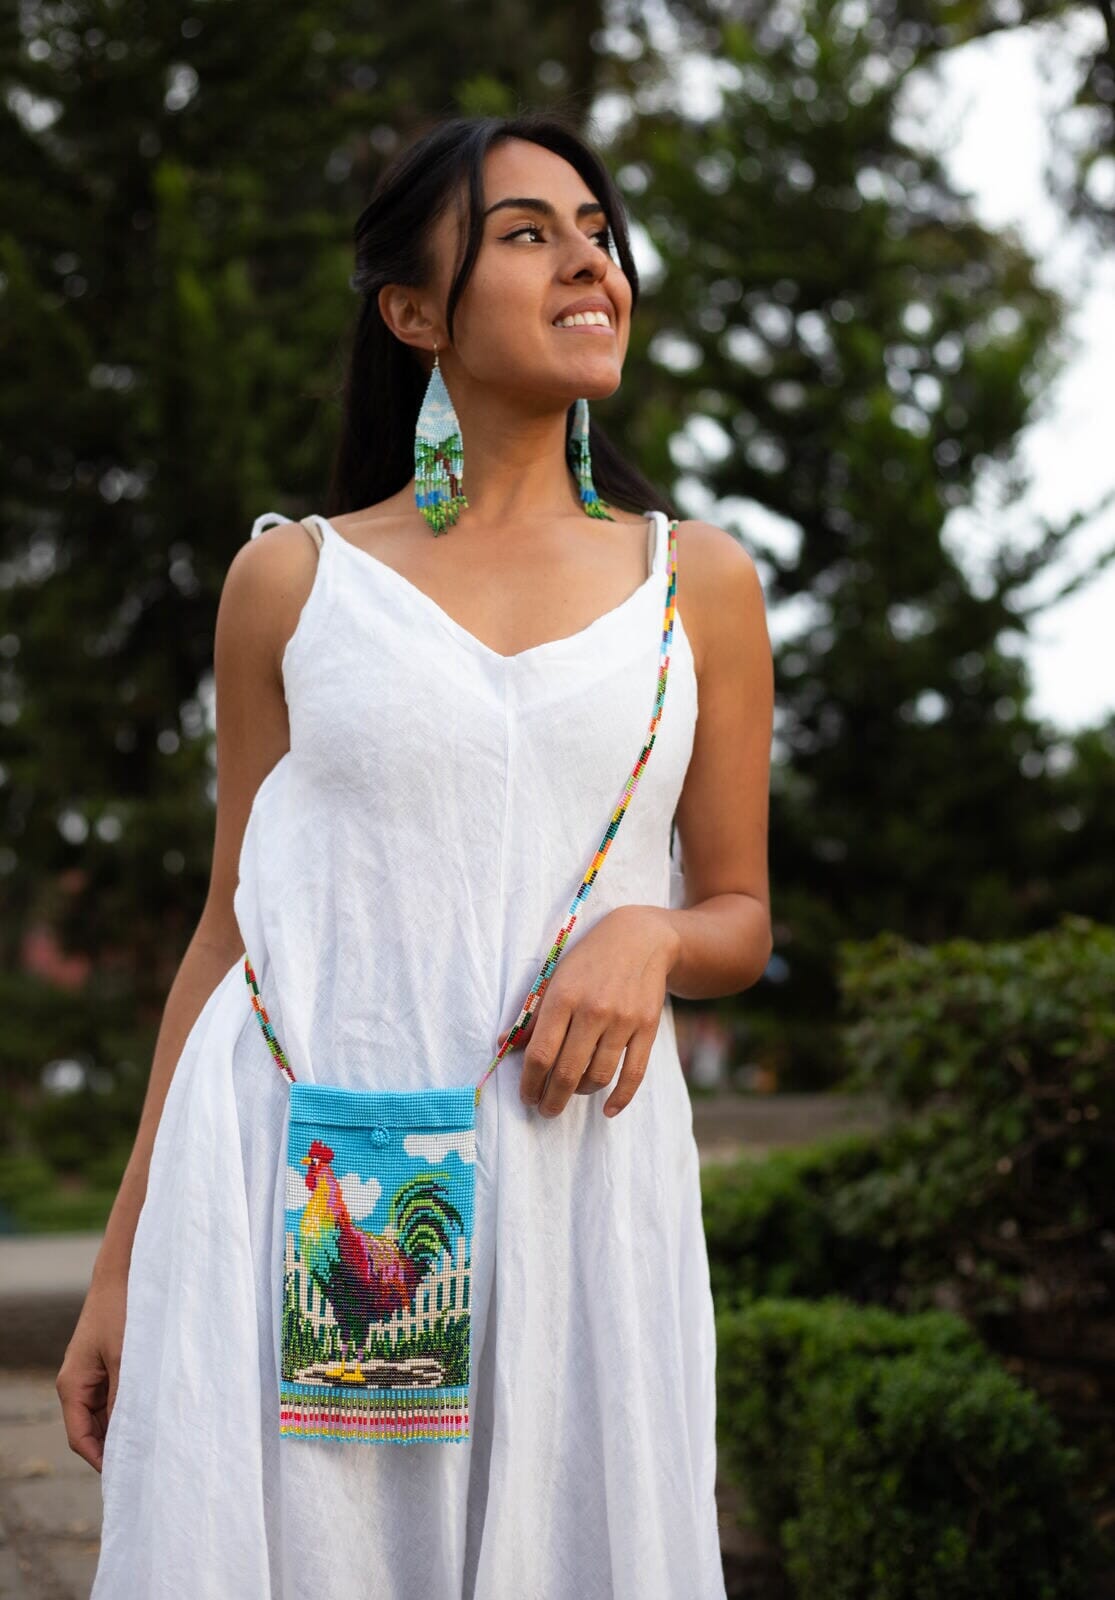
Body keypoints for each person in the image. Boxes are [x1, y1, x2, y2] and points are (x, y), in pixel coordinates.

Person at [57, 109, 773, 1599]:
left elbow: (740, 913)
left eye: (598, 229)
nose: (590, 258)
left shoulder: (692, 583)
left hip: (581, 1195)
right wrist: (122, 1266)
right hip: (301, 1183)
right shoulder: (291, 581)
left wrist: (652, 938)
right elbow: (222, 934)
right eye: (529, 232)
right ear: (413, 312)